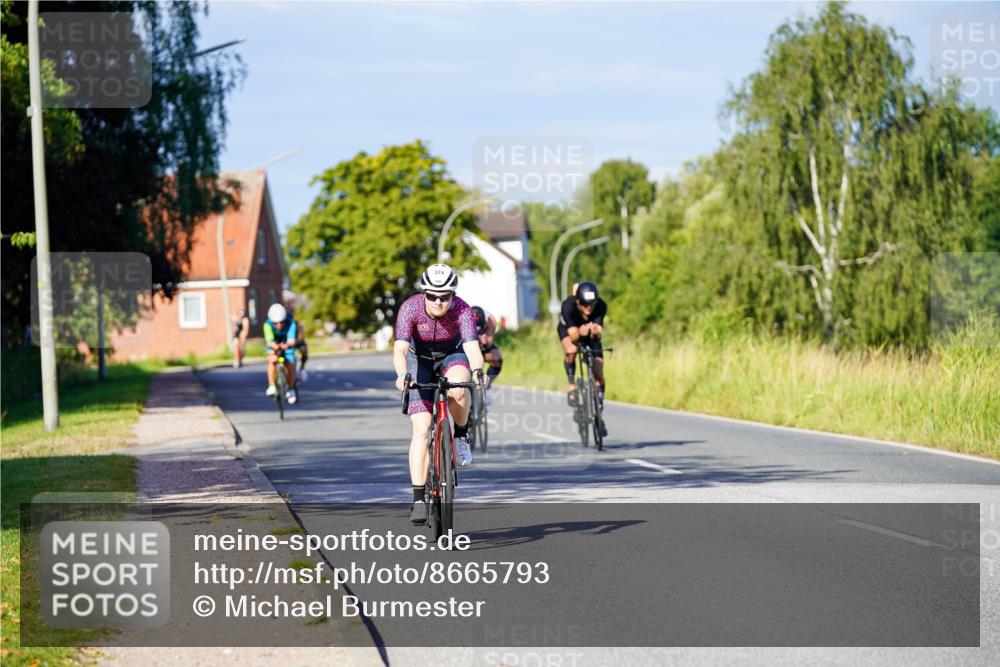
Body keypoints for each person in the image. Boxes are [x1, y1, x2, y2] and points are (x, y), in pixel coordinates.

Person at [393, 264, 485, 525]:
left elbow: (472, 348)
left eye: (445, 296)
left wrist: (478, 370)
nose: (438, 302)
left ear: (452, 295)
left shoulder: (462, 310)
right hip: (417, 360)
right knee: (421, 429)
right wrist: (402, 376)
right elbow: (400, 350)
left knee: (460, 383)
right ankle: (419, 498)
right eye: (432, 295)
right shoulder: (410, 308)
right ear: (424, 293)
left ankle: (461, 434)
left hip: (451, 355)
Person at [557, 281, 607, 433]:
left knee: (598, 369)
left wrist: (595, 330)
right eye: (585, 305)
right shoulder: (568, 306)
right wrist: (581, 331)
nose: (589, 308)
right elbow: (573, 335)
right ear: (578, 301)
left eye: (592, 304)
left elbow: (599, 329)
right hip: (569, 330)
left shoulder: (601, 306)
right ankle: (571, 384)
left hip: (589, 334)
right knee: (571, 350)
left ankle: (598, 406)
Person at [263, 303, 297, 405]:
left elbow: (292, 340)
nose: (279, 325)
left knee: (290, 365)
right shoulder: (267, 325)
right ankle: (272, 385)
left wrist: (286, 345)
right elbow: (269, 341)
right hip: (275, 344)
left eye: (281, 322)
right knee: (272, 360)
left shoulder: (291, 323)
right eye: (275, 323)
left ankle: (291, 390)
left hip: (287, 344)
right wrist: (275, 346)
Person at [471, 306, 503, 405]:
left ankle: (487, 387)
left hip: (482, 345)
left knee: (497, 359)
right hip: (468, 342)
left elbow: (488, 343)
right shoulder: (463, 317)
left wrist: (483, 340)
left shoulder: (491, 321)